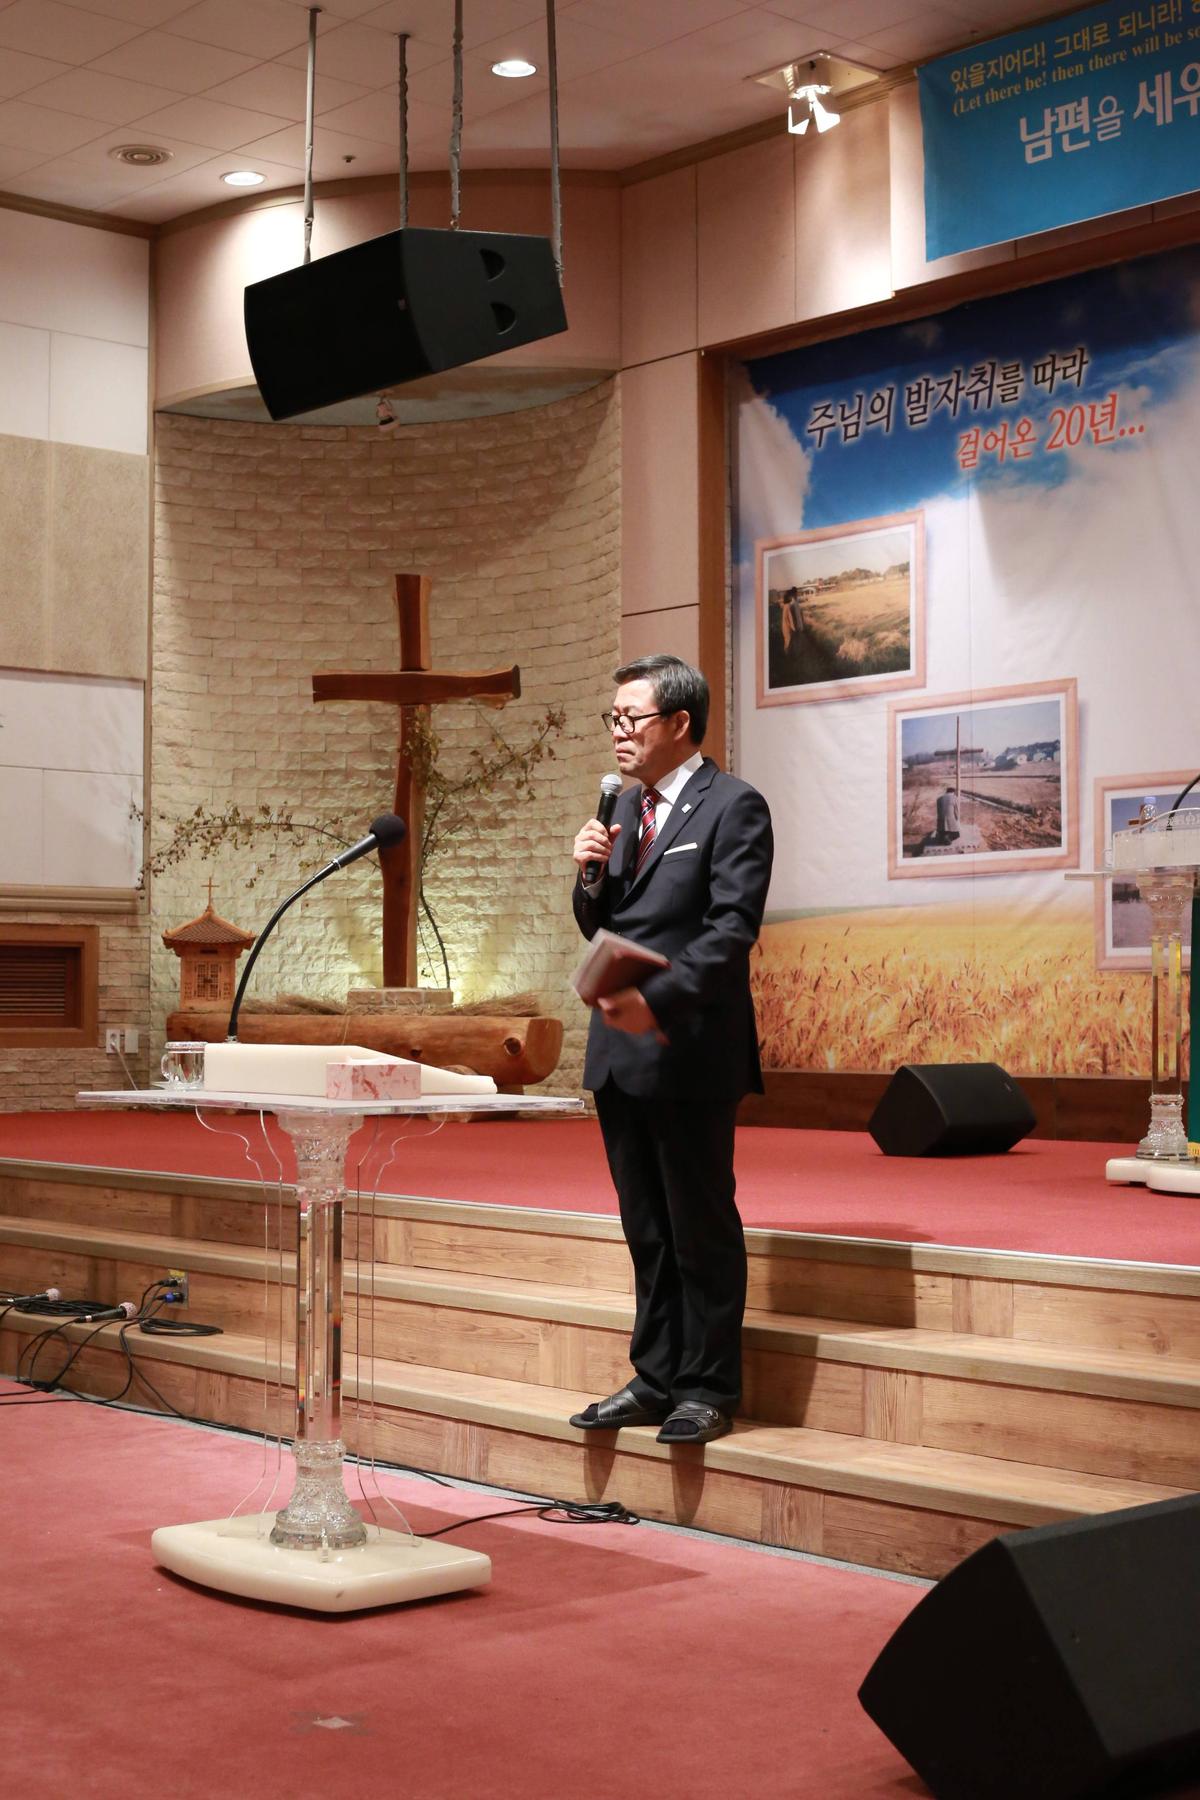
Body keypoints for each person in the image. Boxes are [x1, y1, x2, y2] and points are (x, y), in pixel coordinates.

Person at [569, 654, 774, 1446]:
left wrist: (655, 998)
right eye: (614, 720)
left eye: (633, 719)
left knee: (699, 1224)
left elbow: (731, 932)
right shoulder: (624, 807)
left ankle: (708, 1387)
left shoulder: (734, 806)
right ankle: (655, 1377)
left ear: (680, 723)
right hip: (620, 1050)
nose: (619, 733)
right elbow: (602, 923)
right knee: (646, 1228)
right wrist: (589, 876)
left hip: (687, 1046)